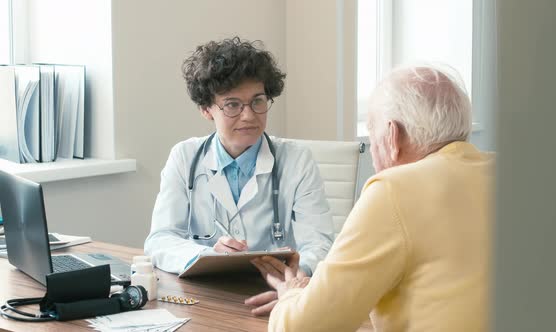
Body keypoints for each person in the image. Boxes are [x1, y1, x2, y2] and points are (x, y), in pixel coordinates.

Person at [253, 64, 494, 331]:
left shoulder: (394, 190)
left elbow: (304, 327)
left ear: (392, 135)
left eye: (372, 130)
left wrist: (291, 295)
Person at [144, 37, 334, 315]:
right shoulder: (184, 157)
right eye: (232, 105)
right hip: (205, 300)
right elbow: (159, 239)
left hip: (278, 297)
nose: (249, 115)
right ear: (206, 109)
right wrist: (207, 256)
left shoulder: (296, 159)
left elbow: (320, 243)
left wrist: (295, 277)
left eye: (257, 101)